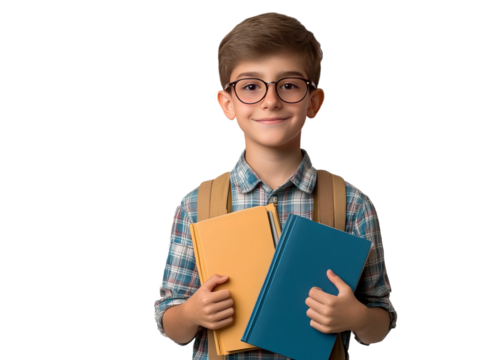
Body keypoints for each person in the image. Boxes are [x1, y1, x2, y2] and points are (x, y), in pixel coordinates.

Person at [153, 10, 397, 358]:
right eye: (251, 86)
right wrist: (191, 313)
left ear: (314, 102)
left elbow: (379, 323)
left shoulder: (352, 202)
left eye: (289, 85)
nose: (270, 100)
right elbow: (169, 321)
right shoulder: (194, 205)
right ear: (227, 104)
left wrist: (356, 316)